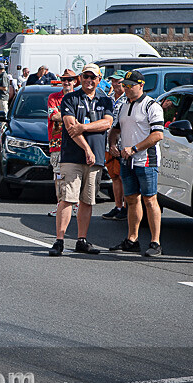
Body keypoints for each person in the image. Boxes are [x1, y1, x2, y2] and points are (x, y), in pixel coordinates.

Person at [48, 63, 115, 256]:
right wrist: (87, 148)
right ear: (81, 79)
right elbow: (70, 127)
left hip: (96, 159)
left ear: (99, 79)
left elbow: (107, 122)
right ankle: (59, 240)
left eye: (93, 77)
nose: (89, 80)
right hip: (72, 156)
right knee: (67, 198)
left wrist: (84, 128)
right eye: (85, 76)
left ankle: (81, 239)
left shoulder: (105, 100)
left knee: (87, 200)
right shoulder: (70, 98)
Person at [108, 70, 165, 257]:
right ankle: (132, 239)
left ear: (141, 85)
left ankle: (155, 242)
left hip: (146, 159)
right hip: (127, 159)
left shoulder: (152, 106)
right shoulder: (124, 105)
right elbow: (116, 129)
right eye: (124, 85)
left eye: (130, 85)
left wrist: (134, 148)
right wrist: (111, 143)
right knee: (131, 199)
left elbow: (157, 135)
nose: (126, 88)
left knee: (150, 199)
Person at [46, 69, 79, 218]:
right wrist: (72, 117)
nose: (67, 82)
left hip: (77, 142)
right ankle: (60, 205)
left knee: (77, 175)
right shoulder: (54, 97)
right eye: (64, 80)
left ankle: (76, 206)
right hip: (58, 143)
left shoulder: (79, 97)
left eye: (70, 80)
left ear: (75, 82)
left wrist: (65, 116)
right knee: (58, 175)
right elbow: (53, 115)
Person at [101, 70, 128, 221]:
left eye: (118, 81)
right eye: (113, 81)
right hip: (108, 142)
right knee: (114, 176)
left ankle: (125, 206)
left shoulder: (127, 99)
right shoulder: (109, 98)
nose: (115, 84)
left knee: (123, 175)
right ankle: (118, 206)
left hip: (122, 143)